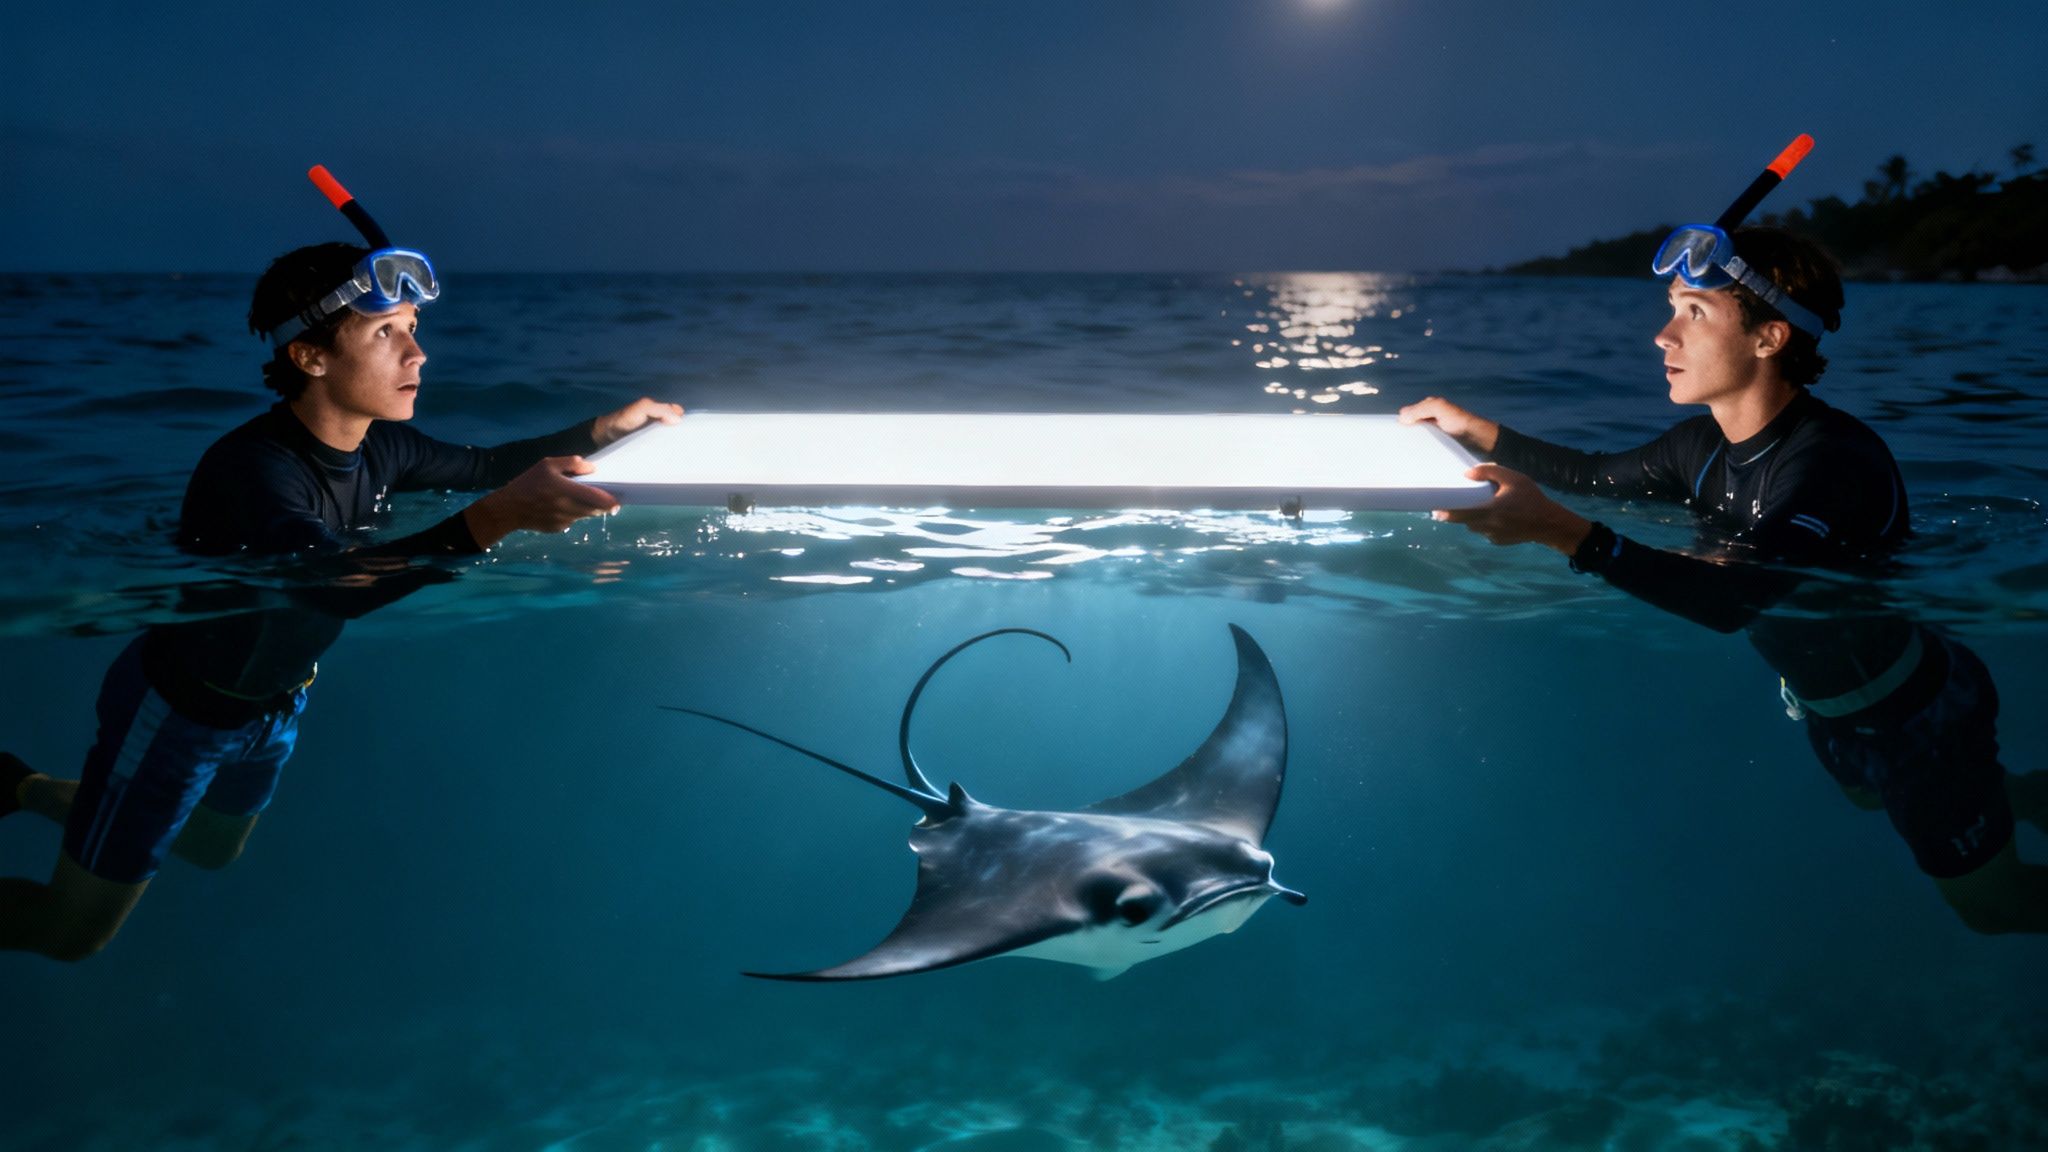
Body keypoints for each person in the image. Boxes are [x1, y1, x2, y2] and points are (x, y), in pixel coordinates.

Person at [1, 191, 679, 961]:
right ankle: (61, 800)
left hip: (274, 706)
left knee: (213, 848)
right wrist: (496, 519)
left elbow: (489, 466)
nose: (417, 354)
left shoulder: (383, 447)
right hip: (179, 716)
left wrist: (605, 428)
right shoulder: (254, 472)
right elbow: (332, 585)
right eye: (386, 333)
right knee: (70, 934)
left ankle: (19, 787)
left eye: (414, 330)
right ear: (310, 356)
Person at [1398, 221, 2048, 935]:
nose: (1664, 336)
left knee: (1994, 909)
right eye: (1672, 307)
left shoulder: (1831, 461)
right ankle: (2015, 797)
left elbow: (1730, 599)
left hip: (1920, 717)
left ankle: (1987, 794)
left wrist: (1554, 529)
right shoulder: (1700, 448)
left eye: (1694, 313)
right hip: (1834, 714)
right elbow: (1588, 475)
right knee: (1868, 796)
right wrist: (1475, 429)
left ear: (1770, 338)